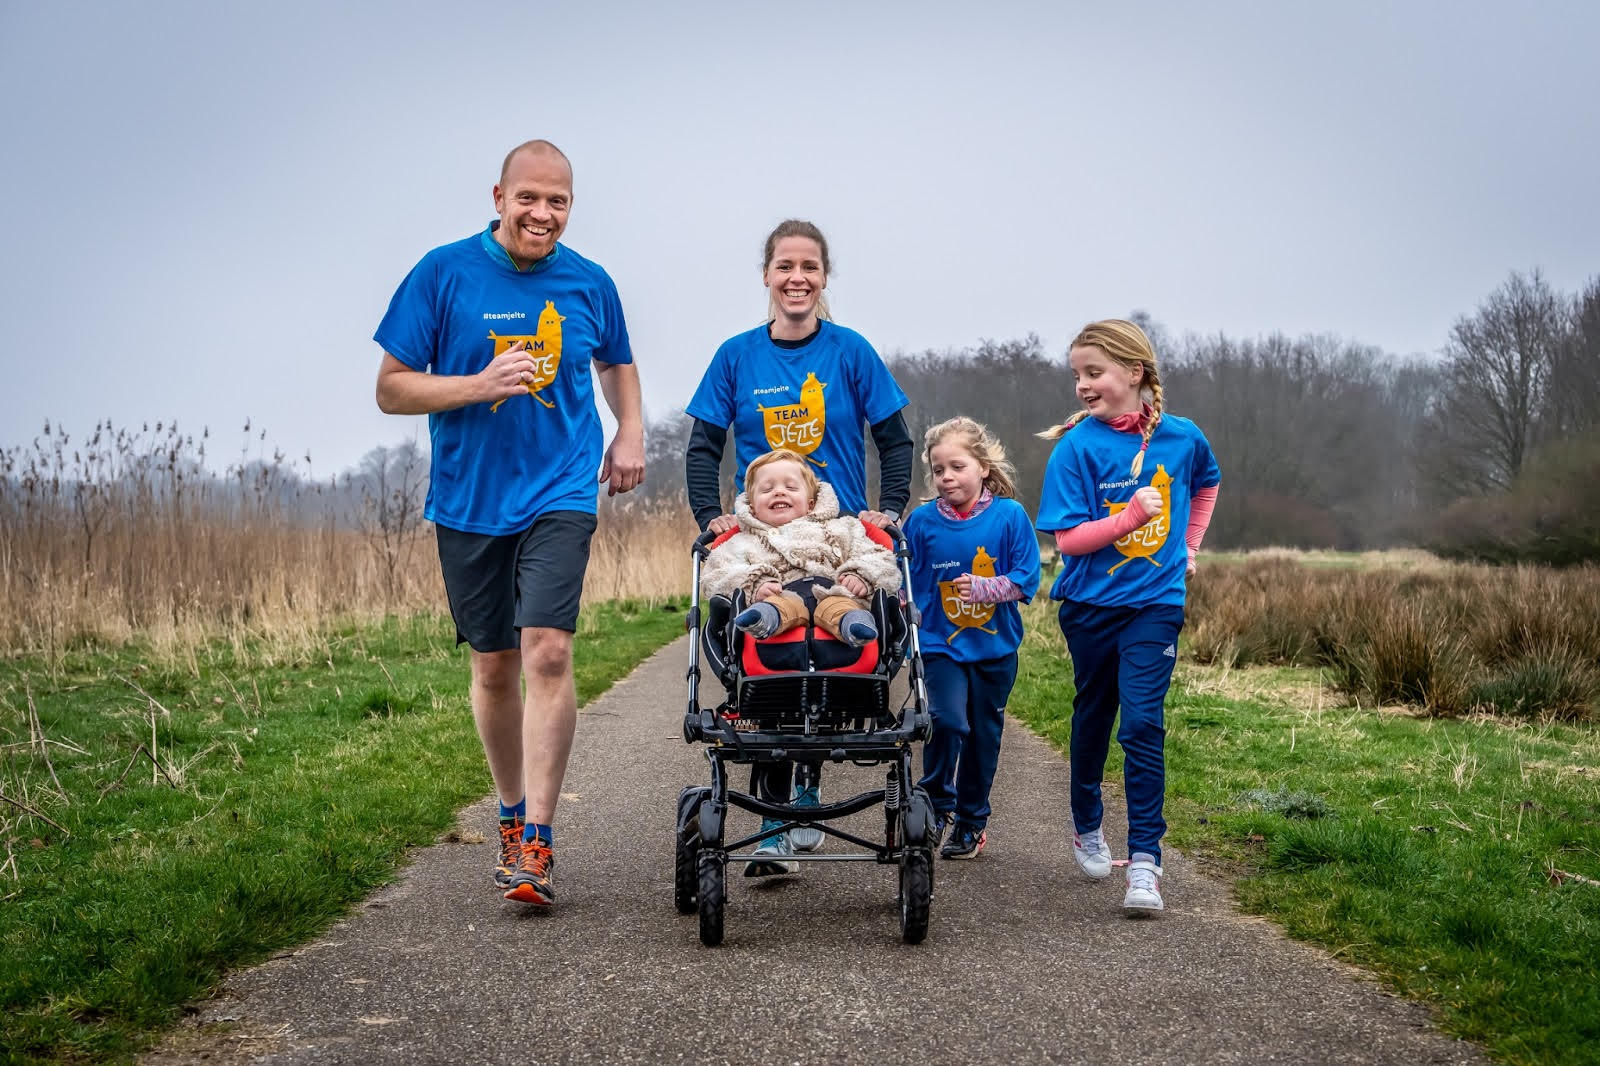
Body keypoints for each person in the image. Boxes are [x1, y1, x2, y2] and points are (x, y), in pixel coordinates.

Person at [373, 140, 645, 908]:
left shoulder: (589, 282)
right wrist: (477, 384)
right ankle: (509, 811)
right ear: (498, 196)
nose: (542, 214)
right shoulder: (443, 274)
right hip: (469, 499)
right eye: (529, 198)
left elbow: (617, 360)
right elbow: (391, 390)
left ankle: (539, 845)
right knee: (493, 668)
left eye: (557, 201)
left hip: (561, 489)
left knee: (548, 653)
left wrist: (629, 430)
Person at [685, 219, 913, 864]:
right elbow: (703, 446)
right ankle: (777, 813)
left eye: (809, 267)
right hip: (761, 534)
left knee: (841, 636)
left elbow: (895, 440)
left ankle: (807, 791)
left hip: (835, 533)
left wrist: (889, 511)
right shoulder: (736, 355)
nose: (797, 278)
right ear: (766, 275)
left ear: (823, 277)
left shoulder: (850, 351)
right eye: (785, 266)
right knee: (757, 645)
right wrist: (712, 516)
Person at [1034, 319, 1220, 915]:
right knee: (1095, 714)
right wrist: (1130, 520)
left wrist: (1188, 547)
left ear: (1134, 372)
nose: (1084, 386)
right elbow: (1070, 542)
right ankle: (1087, 820)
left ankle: (1146, 864)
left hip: (1156, 605)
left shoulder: (1183, 437)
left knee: (1141, 723)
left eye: (1095, 372)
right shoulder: (1076, 448)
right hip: (1090, 608)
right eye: (1077, 376)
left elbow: (1209, 484)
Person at [902, 417, 1040, 860]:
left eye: (956, 466)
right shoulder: (921, 522)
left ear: (983, 467)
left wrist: (984, 588)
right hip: (940, 645)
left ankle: (971, 820)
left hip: (995, 647)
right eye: (938, 469)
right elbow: (901, 579)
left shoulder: (1010, 516)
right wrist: (901, 610)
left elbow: (1026, 580)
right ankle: (936, 806)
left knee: (982, 735)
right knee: (946, 721)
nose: (946, 477)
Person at [700, 448, 901, 649]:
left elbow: (881, 558)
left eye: (791, 487)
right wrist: (755, 583)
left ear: (811, 504)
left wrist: (861, 576)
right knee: (778, 606)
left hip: (836, 593)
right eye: (767, 489)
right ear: (752, 507)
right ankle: (763, 620)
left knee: (842, 607)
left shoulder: (843, 528)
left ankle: (856, 626)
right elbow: (717, 573)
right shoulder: (741, 541)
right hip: (780, 596)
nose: (779, 492)